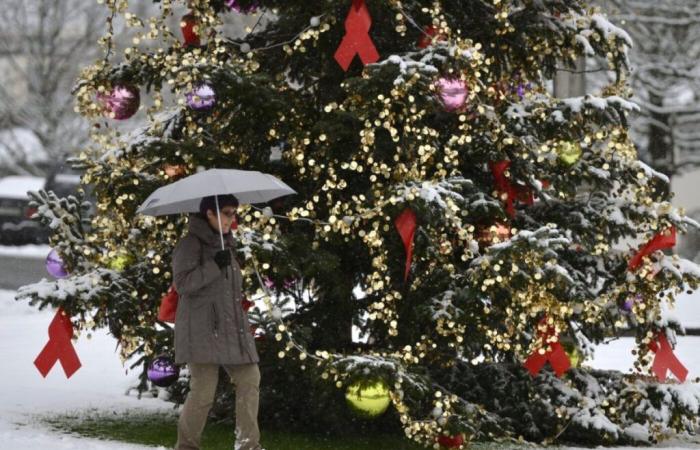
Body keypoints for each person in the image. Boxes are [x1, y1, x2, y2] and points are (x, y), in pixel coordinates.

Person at [172, 194, 262, 450]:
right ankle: (187, 446)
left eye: (234, 213)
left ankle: (248, 444)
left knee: (250, 378)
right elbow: (183, 284)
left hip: (232, 329)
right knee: (203, 392)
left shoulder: (228, 244)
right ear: (209, 213)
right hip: (202, 330)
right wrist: (213, 265)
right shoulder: (190, 244)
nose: (231, 219)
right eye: (226, 213)